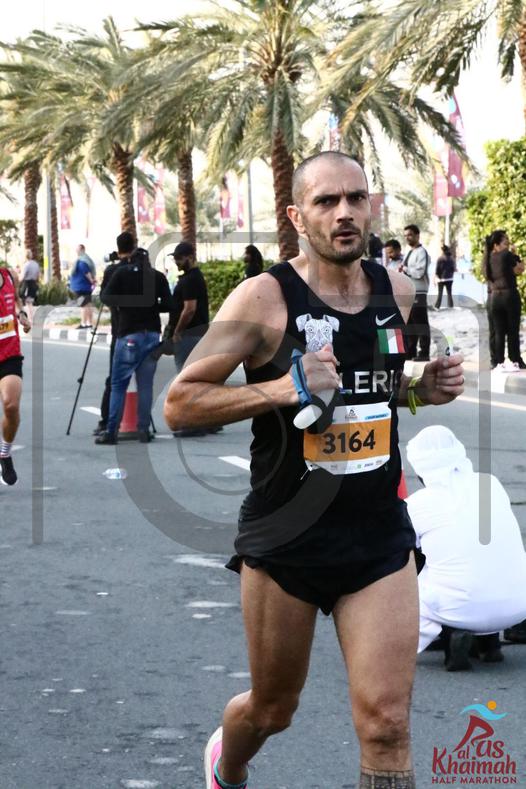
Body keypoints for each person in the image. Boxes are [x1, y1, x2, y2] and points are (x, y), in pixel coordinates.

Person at [164, 151, 465, 789]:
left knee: (387, 725)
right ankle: (228, 763)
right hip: (287, 540)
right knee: (273, 709)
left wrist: (420, 389)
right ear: (298, 217)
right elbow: (180, 403)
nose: (344, 213)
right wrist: (284, 388)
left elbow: (373, 386)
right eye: (326, 202)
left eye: (355, 198)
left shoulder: (396, 290)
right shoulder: (264, 298)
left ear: (372, 207)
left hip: (378, 537)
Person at [406, 425, 526, 671]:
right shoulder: (490, 483)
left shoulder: (417, 504)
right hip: (518, 606)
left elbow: (406, 553)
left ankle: (449, 633)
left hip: (457, 608)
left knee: (412, 562)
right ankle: (488, 642)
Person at [95, 232, 174, 445]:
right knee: (145, 386)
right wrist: (152, 305)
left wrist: (126, 304)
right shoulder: (157, 277)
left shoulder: (121, 273)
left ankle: (111, 431)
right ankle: (143, 430)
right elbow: (170, 305)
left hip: (128, 334)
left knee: (118, 384)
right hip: (152, 335)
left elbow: (105, 297)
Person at [164, 241, 215, 438]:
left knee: (186, 381)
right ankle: (208, 421)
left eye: (179, 258)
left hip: (189, 335)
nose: (177, 262)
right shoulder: (194, 277)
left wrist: (177, 331)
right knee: (199, 380)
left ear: (190, 257)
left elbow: (189, 309)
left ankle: (192, 424)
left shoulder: (190, 280)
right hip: (197, 334)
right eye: (175, 258)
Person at [0, 265, 31, 485]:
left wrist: (22, 315)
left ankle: (5, 453)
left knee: (11, 406)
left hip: (9, 354)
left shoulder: (9, 275)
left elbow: (17, 301)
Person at [92, 249, 128, 437]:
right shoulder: (144, 271)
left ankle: (107, 422)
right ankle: (142, 426)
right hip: (139, 330)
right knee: (142, 382)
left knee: (114, 379)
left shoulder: (113, 271)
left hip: (119, 331)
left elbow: (104, 297)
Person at [482, 230, 525, 371]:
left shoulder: (487, 258)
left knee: (498, 332)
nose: (507, 245)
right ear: (496, 245)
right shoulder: (506, 255)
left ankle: (498, 361)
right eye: (505, 243)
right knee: (512, 330)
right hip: (509, 295)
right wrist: (516, 255)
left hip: (494, 297)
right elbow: (520, 269)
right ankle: (515, 359)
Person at [402, 225, 431, 361]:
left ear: (417, 235)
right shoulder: (409, 252)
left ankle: (424, 352)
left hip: (419, 291)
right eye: (405, 236)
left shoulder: (421, 252)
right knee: (410, 323)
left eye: (410, 235)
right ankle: (411, 351)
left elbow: (420, 272)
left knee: (420, 322)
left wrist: (406, 269)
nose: (407, 238)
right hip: (408, 291)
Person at [70, 248, 95, 329]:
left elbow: (86, 272)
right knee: (88, 304)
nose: (76, 251)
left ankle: (83, 323)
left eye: (78, 250)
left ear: (82, 250)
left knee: (83, 305)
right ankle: (89, 323)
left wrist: (91, 280)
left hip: (81, 287)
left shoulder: (81, 262)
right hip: (86, 287)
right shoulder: (87, 260)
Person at [20, 249, 40, 321]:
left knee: (28, 303)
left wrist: (17, 283)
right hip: (34, 283)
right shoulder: (36, 264)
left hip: (27, 284)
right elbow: (38, 275)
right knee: (31, 301)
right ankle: (32, 317)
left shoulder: (26, 265)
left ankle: (31, 318)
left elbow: (22, 277)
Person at [434, 244, 456, 310]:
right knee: (449, 294)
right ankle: (451, 307)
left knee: (440, 294)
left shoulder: (440, 259)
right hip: (449, 279)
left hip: (441, 279)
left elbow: (437, 269)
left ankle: (437, 307)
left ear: (442, 251)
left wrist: (437, 277)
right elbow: (453, 269)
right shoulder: (451, 259)